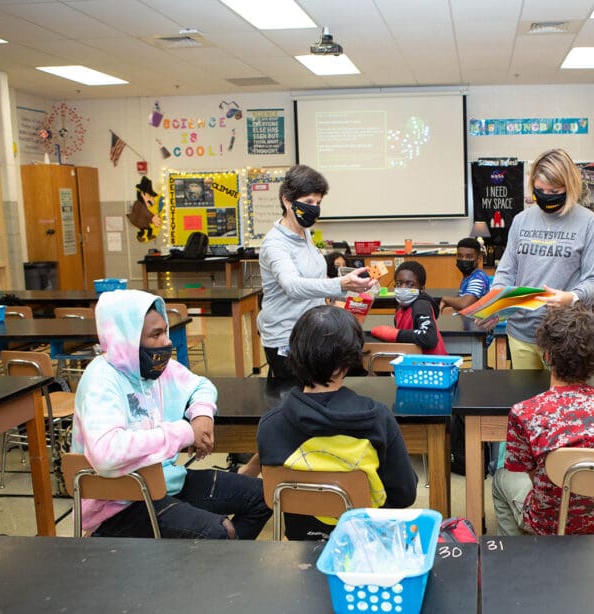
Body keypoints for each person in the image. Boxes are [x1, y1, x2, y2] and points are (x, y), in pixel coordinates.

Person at [72, 289, 270, 539]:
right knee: (219, 533)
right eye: (156, 335)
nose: (166, 342)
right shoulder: (101, 380)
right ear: (128, 340)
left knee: (263, 497)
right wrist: (185, 433)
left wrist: (202, 417)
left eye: (165, 331)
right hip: (119, 503)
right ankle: (215, 566)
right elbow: (107, 453)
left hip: (165, 482)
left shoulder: (156, 368)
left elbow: (201, 386)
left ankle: (217, 567)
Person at [256, 305, 417, 540]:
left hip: (301, 543)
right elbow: (404, 495)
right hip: (367, 541)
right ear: (350, 359)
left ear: (295, 353)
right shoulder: (378, 419)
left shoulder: (270, 425)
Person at [492, 307, 594, 535]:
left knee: (502, 478)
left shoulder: (525, 412)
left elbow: (525, 472)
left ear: (547, 356)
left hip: (549, 524)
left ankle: (512, 556)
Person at [491, 148, 594, 369]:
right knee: (525, 400)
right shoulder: (521, 220)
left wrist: (572, 297)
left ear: (569, 186)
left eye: (553, 190)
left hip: (566, 337)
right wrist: (495, 303)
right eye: (539, 189)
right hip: (520, 332)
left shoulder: (590, 224)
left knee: (562, 402)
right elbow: (506, 272)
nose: (545, 195)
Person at [257, 165, 375, 381]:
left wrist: (352, 289)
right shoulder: (275, 243)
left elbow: (316, 281)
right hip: (286, 338)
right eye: (309, 202)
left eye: (318, 203)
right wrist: (341, 284)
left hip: (311, 333)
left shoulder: (306, 234)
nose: (315, 208)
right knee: (295, 403)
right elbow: (292, 286)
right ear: (287, 200)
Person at [370, 261, 447, 355]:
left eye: (410, 284)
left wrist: (394, 334)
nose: (403, 288)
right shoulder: (400, 309)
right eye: (399, 283)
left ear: (422, 289)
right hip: (412, 362)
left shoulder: (421, 304)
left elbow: (429, 338)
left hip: (433, 365)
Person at [440, 237, 492, 314]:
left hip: (476, 325)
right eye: (460, 256)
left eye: (469, 257)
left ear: (479, 259)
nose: (463, 259)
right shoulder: (468, 277)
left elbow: (464, 304)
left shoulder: (478, 279)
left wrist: (445, 299)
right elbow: (459, 305)